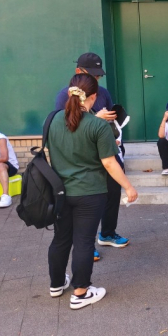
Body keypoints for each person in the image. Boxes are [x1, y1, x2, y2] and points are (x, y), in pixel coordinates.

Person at [47, 74, 138, 309]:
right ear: (94, 97)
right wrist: (128, 186)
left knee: (61, 239)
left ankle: (57, 285)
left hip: (60, 192)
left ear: (69, 93)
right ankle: (80, 292)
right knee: (84, 241)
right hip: (90, 192)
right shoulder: (97, 125)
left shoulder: (53, 120)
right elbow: (109, 163)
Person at [55, 53, 128, 260]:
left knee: (113, 191)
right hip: (84, 158)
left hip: (106, 150)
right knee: (90, 201)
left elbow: (112, 123)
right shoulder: (64, 96)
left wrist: (114, 134)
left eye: (99, 75)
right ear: (79, 72)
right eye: (92, 74)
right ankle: (87, 243)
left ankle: (107, 233)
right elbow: (66, 128)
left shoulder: (103, 92)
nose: (96, 79)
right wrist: (96, 118)